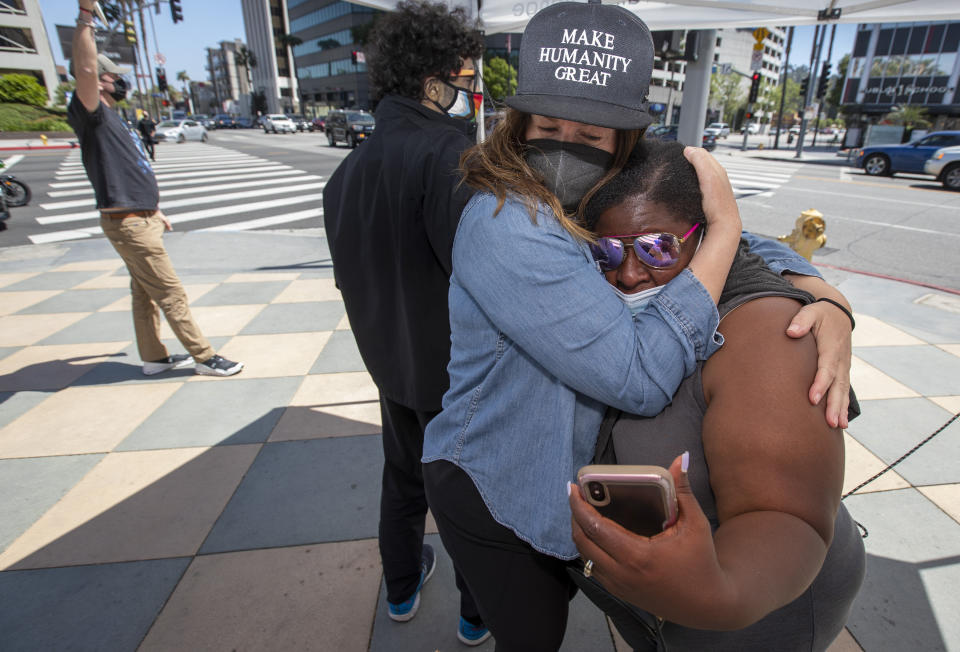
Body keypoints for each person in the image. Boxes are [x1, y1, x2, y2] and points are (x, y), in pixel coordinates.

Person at [421, 1, 855, 649]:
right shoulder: (511, 223)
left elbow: (682, 227)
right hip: (499, 487)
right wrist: (723, 235)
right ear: (519, 124)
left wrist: (819, 293)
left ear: (618, 144)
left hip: (576, 502)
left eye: (591, 137)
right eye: (547, 125)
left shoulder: (593, 204)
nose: (567, 148)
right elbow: (638, 377)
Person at [568, 138, 865, 651]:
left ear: (705, 239)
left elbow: (785, 518)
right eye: (608, 251)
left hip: (764, 611)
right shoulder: (610, 297)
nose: (631, 273)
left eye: (658, 248)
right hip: (663, 606)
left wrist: (717, 593)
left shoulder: (768, 333)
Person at [321, 1, 489, 644]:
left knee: (402, 478)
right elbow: (480, 276)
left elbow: (348, 277)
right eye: (465, 79)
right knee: (464, 495)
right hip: (454, 371)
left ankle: (399, 588)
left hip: (388, 363)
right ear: (431, 83)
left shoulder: (345, 174)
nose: (469, 91)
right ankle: (475, 612)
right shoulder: (450, 155)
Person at [68, 1, 242, 378]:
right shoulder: (91, 111)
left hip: (137, 217)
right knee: (170, 292)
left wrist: (152, 208)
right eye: (114, 77)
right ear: (97, 81)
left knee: (144, 293)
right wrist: (85, 17)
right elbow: (83, 67)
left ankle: (154, 358)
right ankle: (205, 356)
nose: (120, 82)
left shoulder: (111, 116)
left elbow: (129, 170)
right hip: (128, 223)